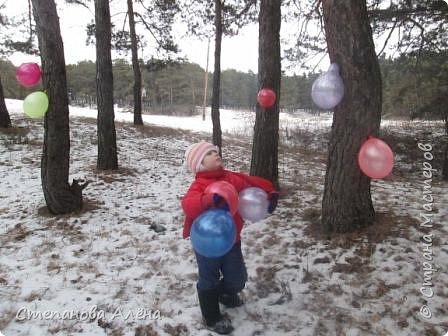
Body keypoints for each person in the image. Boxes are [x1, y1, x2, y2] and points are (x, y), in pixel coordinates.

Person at [181, 141, 279, 334]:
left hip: (231, 240)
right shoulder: (199, 185)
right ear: (200, 164)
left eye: (214, 151)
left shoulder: (230, 178)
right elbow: (188, 204)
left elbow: (252, 182)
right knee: (208, 279)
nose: (215, 154)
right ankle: (212, 317)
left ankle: (225, 293)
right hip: (206, 244)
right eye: (208, 154)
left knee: (238, 278)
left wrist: (270, 193)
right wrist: (208, 200)